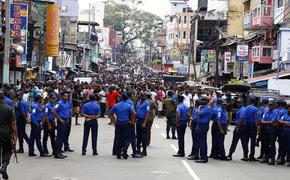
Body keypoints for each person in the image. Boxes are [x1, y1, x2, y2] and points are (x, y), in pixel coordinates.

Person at [109, 94, 135, 159]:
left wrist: (114, 121)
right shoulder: (128, 106)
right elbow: (133, 113)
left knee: (118, 138)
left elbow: (110, 113)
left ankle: (118, 153)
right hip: (126, 123)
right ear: (126, 99)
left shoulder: (116, 105)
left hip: (118, 123)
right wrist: (132, 121)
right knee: (127, 138)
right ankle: (125, 149)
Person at [0, 91, 18, 180]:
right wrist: (16, 136)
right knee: (7, 151)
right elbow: (13, 124)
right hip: (6, 134)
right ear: (3, 98)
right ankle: (4, 165)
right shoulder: (9, 108)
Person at [52, 91, 71, 159]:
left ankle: (60, 152)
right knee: (59, 137)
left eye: (67, 96)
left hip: (66, 120)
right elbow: (53, 111)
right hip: (61, 121)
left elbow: (68, 111)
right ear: (62, 96)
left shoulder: (67, 103)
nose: (66, 97)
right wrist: (59, 119)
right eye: (65, 96)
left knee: (63, 137)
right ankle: (57, 153)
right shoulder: (59, 103)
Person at [259, 100, 279, 165]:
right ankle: (266, 158)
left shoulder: (275, 112)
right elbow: (262, 120)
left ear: (274, 106)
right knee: (265, 144)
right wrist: (268, 122)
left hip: (272, 130)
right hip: (265, 129)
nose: (270, 106)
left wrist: (266, 122)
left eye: (271, 105)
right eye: (269, 105)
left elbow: (272, 122)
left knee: (272, 144)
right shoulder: (266, 112)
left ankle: (272, 159)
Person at [195, 95, 212, 163]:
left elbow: (199, 114)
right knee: (201, 141)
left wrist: (199, 107)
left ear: (206, 101)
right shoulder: (203, 107)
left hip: (203, 125)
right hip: (201, 125)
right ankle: (202, 156)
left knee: (202, 142)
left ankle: (203, 158)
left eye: (203, 100)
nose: (201, 101)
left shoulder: (207, 108)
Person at [126, 91, 142, 158]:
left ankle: (122, 150)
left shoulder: (123, 102)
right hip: (130, 121)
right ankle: (133, 152)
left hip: (123, 121)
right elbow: (132, 112)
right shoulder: (130, 102)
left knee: (125, 137)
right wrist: (133, 120)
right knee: (132, 137)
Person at [136, 92, 151, 156]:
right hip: (138, 120)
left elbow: (147, 113)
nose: (141, 97)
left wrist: (145, 122)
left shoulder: (147, 103)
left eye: (143, 96)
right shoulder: (139, 101)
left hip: (143, 120)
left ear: (145, 96)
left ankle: (144, 151)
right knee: (138, 136)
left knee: (143, 136)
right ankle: (138, 150)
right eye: (141, 95)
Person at [244, 96, 259, 161]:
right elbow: (255, 119)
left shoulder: (246, 108)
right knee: (253, 141)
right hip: (252, 125)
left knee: (246, 141)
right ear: (255, 102)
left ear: (249, 101)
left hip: (246, 125)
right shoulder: (255, 109)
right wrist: (257, 127)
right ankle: (251, 156)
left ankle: (245, 155)